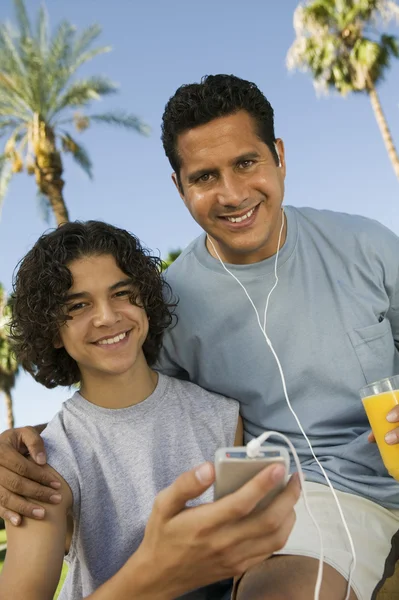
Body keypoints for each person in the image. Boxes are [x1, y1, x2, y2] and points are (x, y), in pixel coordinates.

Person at [0, 74, 398, 598]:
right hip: (318, 499)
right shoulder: (169, 304)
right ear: (179, 186)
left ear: (278, 155)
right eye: (205, 175)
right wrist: (30, 442)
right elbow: (122, 407)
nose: (232, 194)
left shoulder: (367, 245)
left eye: (246, 162)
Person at [0, 220, 299, 600]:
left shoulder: (220, 416)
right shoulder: (44, 462)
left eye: (122, 293)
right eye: (78, 305)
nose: (107, 316)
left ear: (145, 300)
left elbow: (247, 553)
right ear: (53, 331)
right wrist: (154, 573)